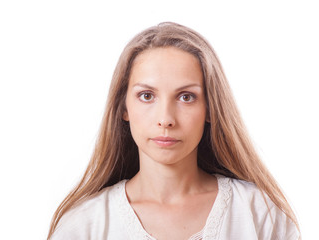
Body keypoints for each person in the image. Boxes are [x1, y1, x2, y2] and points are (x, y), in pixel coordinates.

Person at [47, 22, 300, 240]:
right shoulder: (84, 226)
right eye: (146, 96)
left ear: (211, 108)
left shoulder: (260, 214)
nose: (166, 119)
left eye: (186, 97)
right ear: (123, 107)